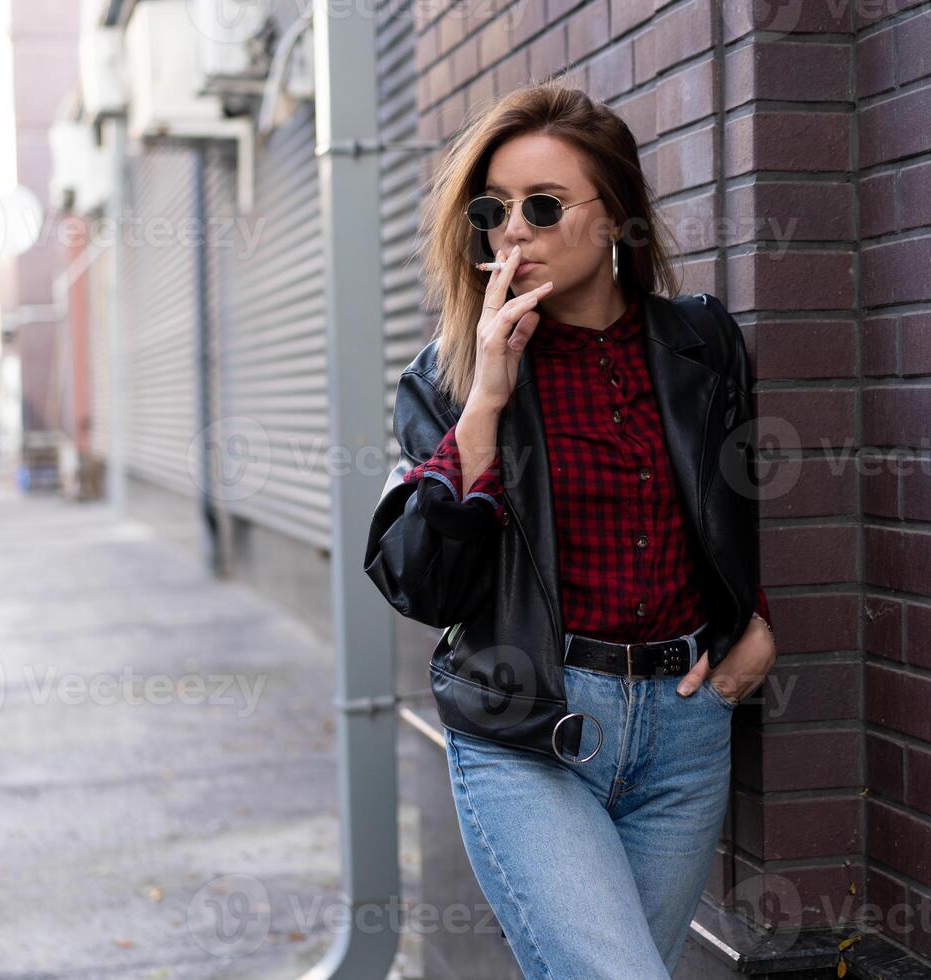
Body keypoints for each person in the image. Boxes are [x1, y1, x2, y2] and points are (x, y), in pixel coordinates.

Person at [363, 80, 777, 978]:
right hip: (530, 732)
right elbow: (419, 583)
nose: (514, 229)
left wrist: (755, 623)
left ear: (615, 214)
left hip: (683, 731)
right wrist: (486, 401)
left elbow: (730, 506)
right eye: (494, 208)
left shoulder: (702, 343)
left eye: (544, 206)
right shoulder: (447, 379)